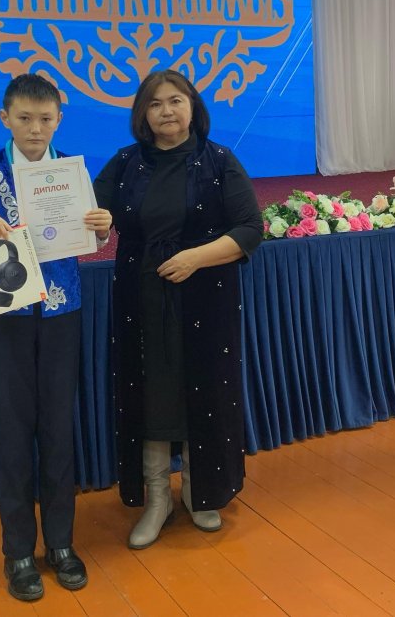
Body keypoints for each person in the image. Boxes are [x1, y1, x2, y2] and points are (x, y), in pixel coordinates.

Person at [0, 74, 112, 600]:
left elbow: (91, 240)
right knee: (12, 433)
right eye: (25, 118)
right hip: (4, 318)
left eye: (46, 118)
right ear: (5, 118)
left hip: (61, 313)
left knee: (58, 429)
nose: (35, 128)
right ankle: (17, 552)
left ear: (60, 119)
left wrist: (101, 227)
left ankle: (61, 543)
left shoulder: (72, 171)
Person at [93, 69, 262, 549]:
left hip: (205, 297)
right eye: (155, 103)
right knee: (149, 393)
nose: (166, 111)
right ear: (142, 114)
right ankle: (156, 500)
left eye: (175, 100)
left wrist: (195, 258)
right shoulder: (125, 163)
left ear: (193, 107)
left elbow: (250, 229)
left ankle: (199, 492)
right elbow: (92, 221)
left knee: (203, 390)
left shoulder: (219, 161)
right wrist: (97, 225)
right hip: (140, 299)